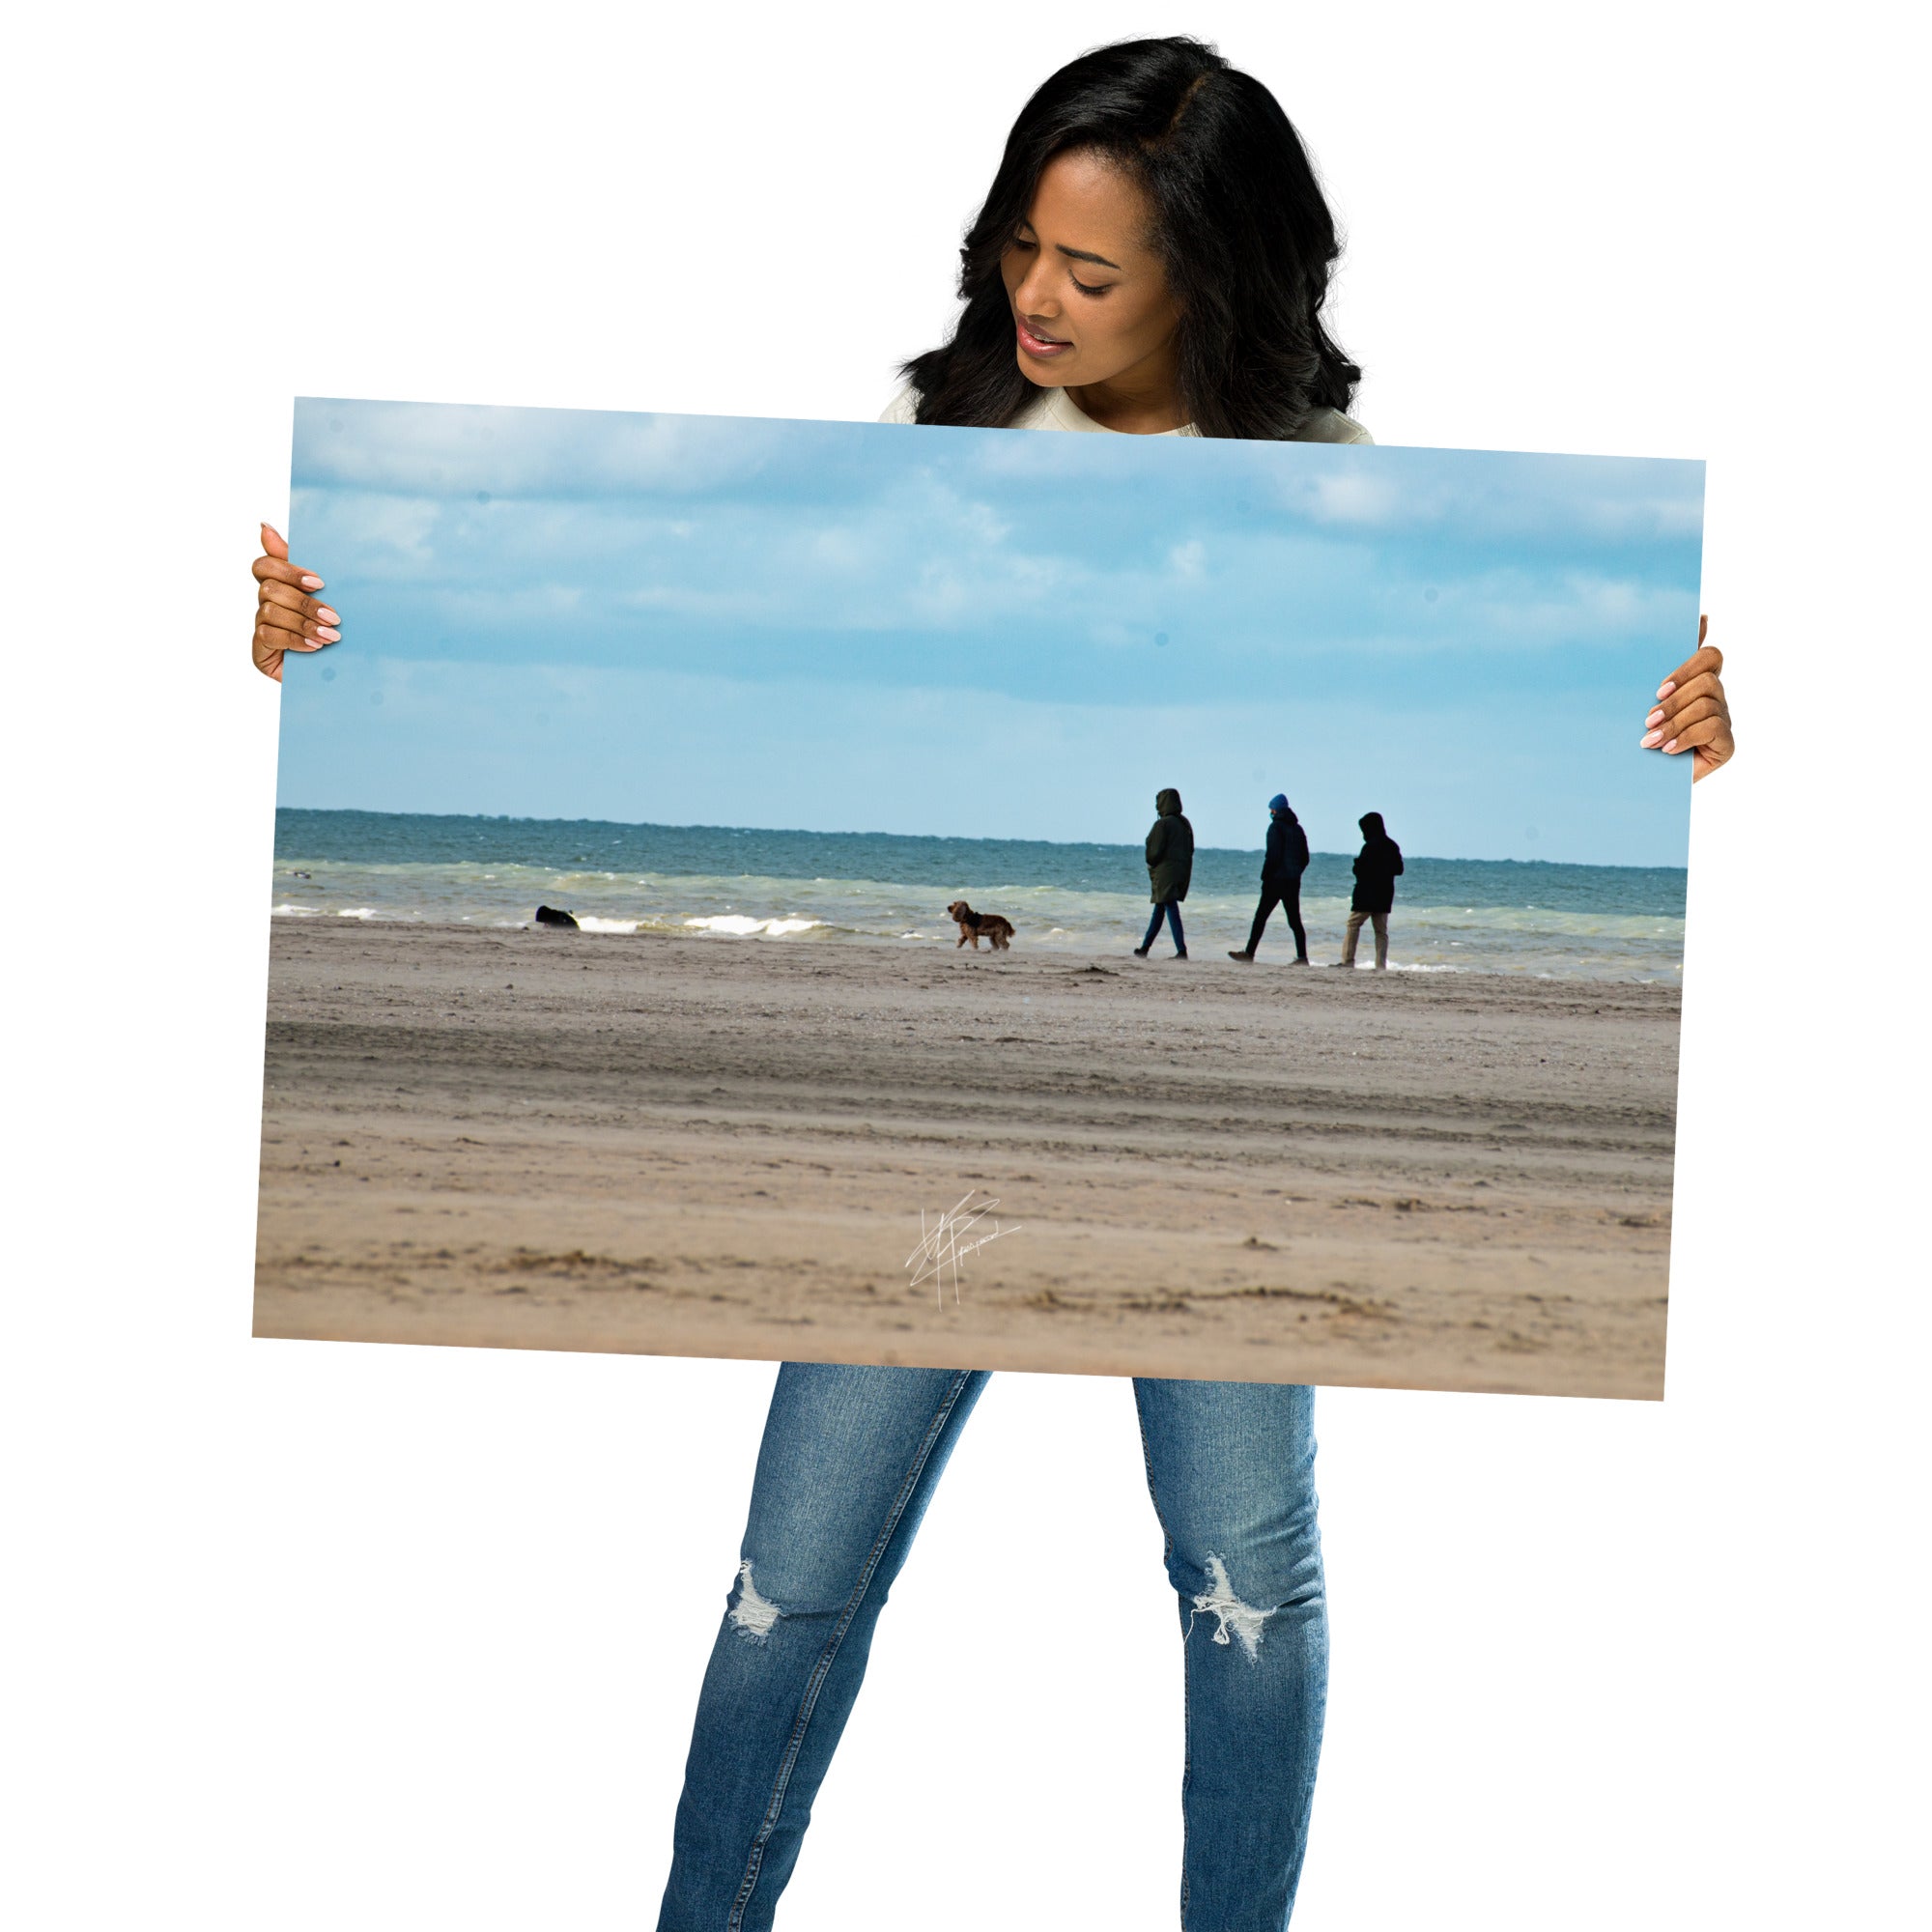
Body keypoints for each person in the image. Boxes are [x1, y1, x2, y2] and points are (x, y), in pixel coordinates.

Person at [247, 37, 1734, 1930]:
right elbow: (754, 663)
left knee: (1244, 1581)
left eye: (1090, 272)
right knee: (788, 1580)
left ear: (1217, 272)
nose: (1036, 296)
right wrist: (326, 632)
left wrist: (1681, 725)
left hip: (1205, 1125)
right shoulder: (928, 440)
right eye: (1022, 245)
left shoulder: (1332, 484)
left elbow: (1515, 719)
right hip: (941, 1127)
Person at [1231, 793, 1311, 964]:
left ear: (1276, 810)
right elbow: (1305, 858)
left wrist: (1265, 876)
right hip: (1292, 882)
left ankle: (1249, 953)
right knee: (1295, 921)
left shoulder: (1275, 828)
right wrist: (1296, 872)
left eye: (1271, 809)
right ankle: (1303, 957)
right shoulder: (1298, 829)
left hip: (1275, 881)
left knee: (1260, 917)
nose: (1271, 812)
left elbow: (1273, 856)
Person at [1337, 811, 1405, 971]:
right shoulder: (1392, 845)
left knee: (1353, 924)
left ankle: (1348, 961)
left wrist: (1358, 864)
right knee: (1381, 932)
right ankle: (1380, 965)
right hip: (1384, 895)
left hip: (1366, 895)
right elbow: (1399, 869)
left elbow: (1359, 870)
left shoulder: (1369, 846)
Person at [1135, 785, 1195, 959]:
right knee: (1160, 909)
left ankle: (1181, 951)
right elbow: (1190, 848)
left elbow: (1154, 852)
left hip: (1165, 873)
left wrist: (1152, 864)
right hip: (1182, 870)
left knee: (1169, 908)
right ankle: (1145, 948)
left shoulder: (1162, 824)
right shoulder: (1185, 823)